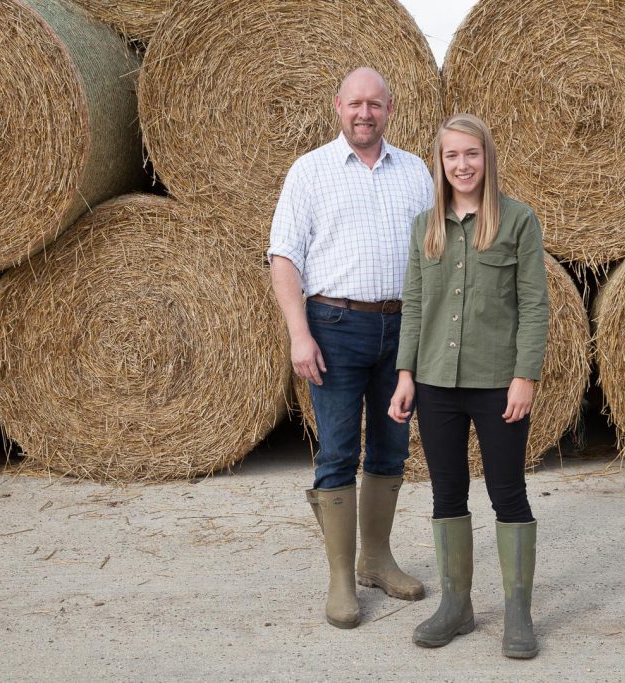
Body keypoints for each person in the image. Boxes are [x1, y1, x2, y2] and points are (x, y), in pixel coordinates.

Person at [268, 67, 434, 629]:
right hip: (333, 326)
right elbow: (284, 256)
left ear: (390, 109)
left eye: (376, 104)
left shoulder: (416, 173)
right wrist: (299, 331)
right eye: (355, 103)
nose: (365, 113)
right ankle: (341, 576)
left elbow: (438, 252)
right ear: (337, 106)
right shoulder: (310, 171)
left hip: (402, 329)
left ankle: (377, 560)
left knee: (391, 449)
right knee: (338, 451)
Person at [388, 113, 549, 659]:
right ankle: (457, 605)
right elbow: (414, 305)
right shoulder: (424, 227)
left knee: (508, 493)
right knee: (446, 492)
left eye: (471, 154)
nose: (462, 165)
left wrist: (525, 376)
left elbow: (534, 306)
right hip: (435, 382)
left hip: (498, 383)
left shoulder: (519, 222)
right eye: (452, 155)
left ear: (487, 158)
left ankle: (518, 612)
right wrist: (406, 374)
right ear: (440, 161)